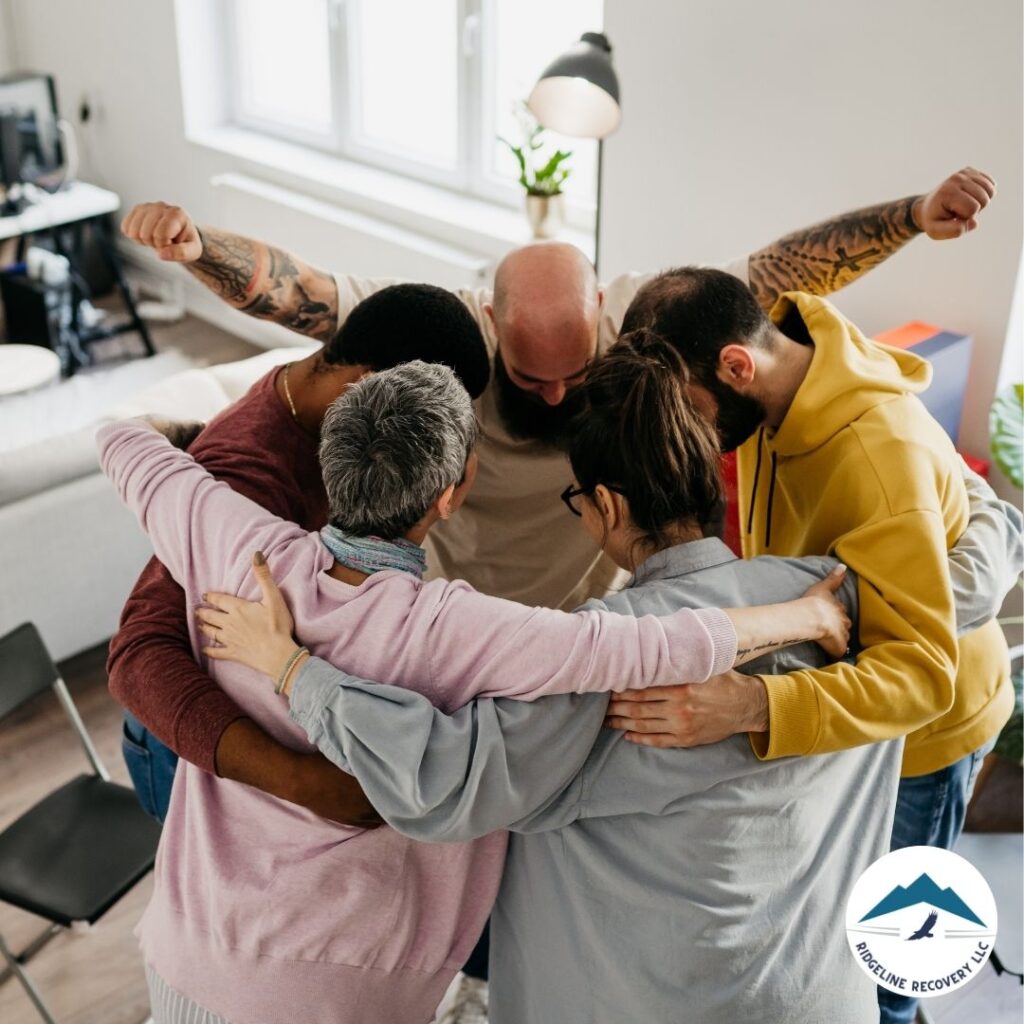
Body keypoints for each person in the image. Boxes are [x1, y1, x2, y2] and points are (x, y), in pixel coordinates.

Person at [115, 166, 997, 1013]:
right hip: (558, 676)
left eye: (579, 374)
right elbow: (307, 294)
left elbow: (470, 755)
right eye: (533, 380)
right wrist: (197, 253)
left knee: (898, 957)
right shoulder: (826, 583)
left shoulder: (666, 358)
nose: (562, 391)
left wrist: (292, 670)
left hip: (521, 674)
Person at [97, 360, 848, 1024]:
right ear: (454, 491)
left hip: (186, 952)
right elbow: (648, 645)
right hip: (337, 993)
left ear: (333, 466)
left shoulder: (231, 542)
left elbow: (121, 437)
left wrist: (198, 442)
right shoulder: (454, 629)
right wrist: (804, 613)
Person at [611, 269, 1014, 1024]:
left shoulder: (871, 457)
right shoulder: (793, 368)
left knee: (889, 955)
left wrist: (755, 703)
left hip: (926, 737)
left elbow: (923, 673)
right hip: (853, 701)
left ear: (737, 367)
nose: (687, 427)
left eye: (688, 407)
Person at [112, 283, 490, 824]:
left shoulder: (317, 409)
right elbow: (140, 650)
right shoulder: (247, 475)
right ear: (366, 385)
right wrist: (302, 781)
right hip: (187, 744)